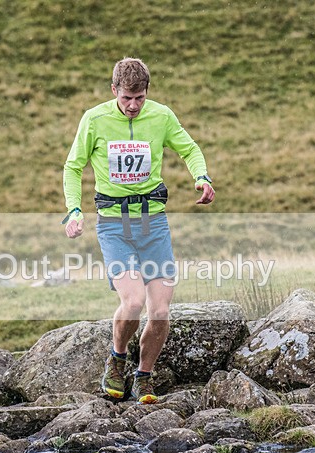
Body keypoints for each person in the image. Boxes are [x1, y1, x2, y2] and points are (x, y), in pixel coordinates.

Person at [62, 58, 215, 404]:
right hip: (114, 225)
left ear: (147, 92)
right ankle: (117, 360)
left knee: (160, 311)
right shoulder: (95, 119)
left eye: (140, 98)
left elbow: (189, 148)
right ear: (114, 89)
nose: (133, 106)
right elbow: (73, 166)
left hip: (154, 224)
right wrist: (74, 209)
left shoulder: (161, 116)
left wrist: (201, 176)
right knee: (133, 301)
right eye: (127, 98)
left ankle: (144, 376)